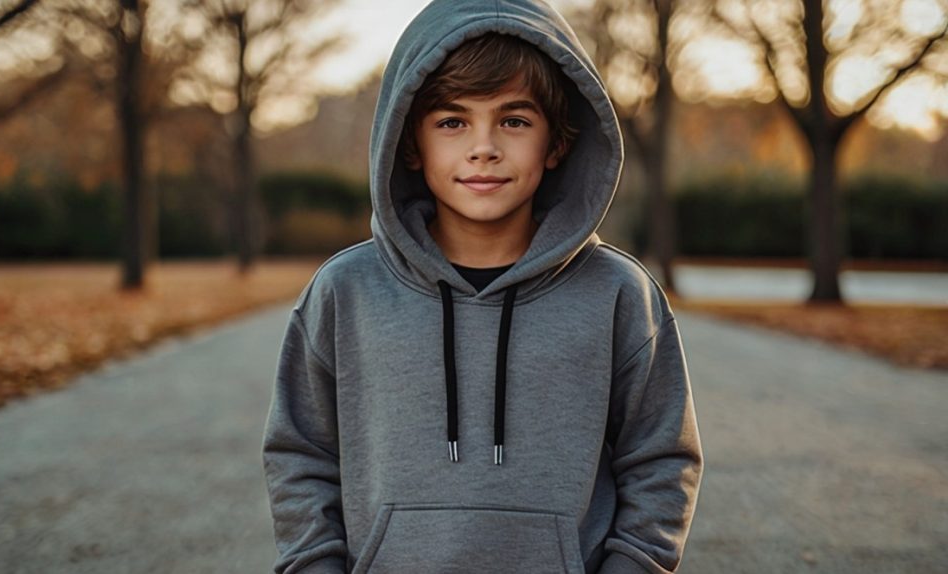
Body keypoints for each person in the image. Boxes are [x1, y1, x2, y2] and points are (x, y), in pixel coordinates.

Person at [261, 0, 704, 572]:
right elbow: (301, 455)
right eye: (453, 121)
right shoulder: (345, 292)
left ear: (557, 143)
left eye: (514, 120)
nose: (484, 147)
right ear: (411, 143)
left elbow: (662, 463)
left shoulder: (620, 295)